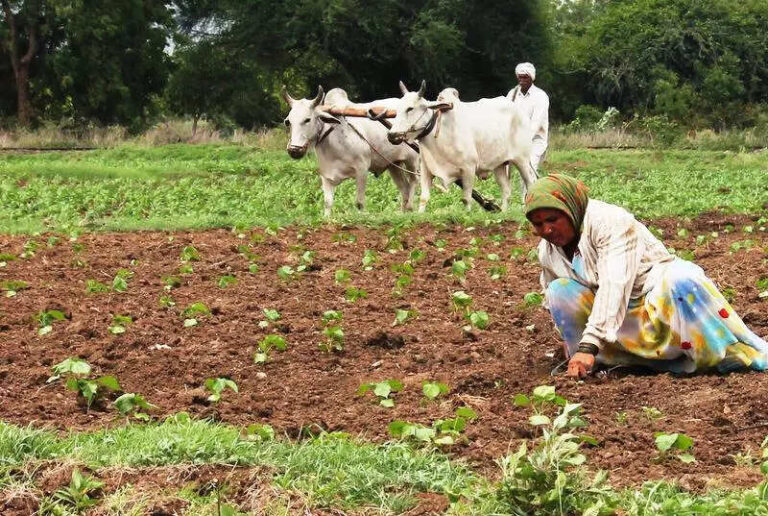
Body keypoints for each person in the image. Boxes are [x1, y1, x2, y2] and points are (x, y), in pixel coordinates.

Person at [525, 174, 768, 378]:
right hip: (614, 321)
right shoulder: (548, 251)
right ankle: (607, 362)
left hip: (654, 298)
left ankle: (713, 356)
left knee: (682, 280)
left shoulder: (610, 222)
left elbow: (614, 285)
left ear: (571, 208)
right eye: (538, 224)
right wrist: (569, 339)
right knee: (559, 290)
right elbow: (552, 298)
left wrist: (588, 344)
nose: (547, 229)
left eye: (553, 219)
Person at [507, 62, 549, 173]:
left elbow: (535, 125)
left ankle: (530, 185)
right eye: (520, 77)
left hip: (535, 140)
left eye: (525, 77)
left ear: (531, 78)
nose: (522, 80)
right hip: (514, 139)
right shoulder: (512, 94)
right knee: (502, 168)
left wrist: (520, 141)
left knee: (528, 169)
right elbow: (506, 117)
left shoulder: (540, 96)